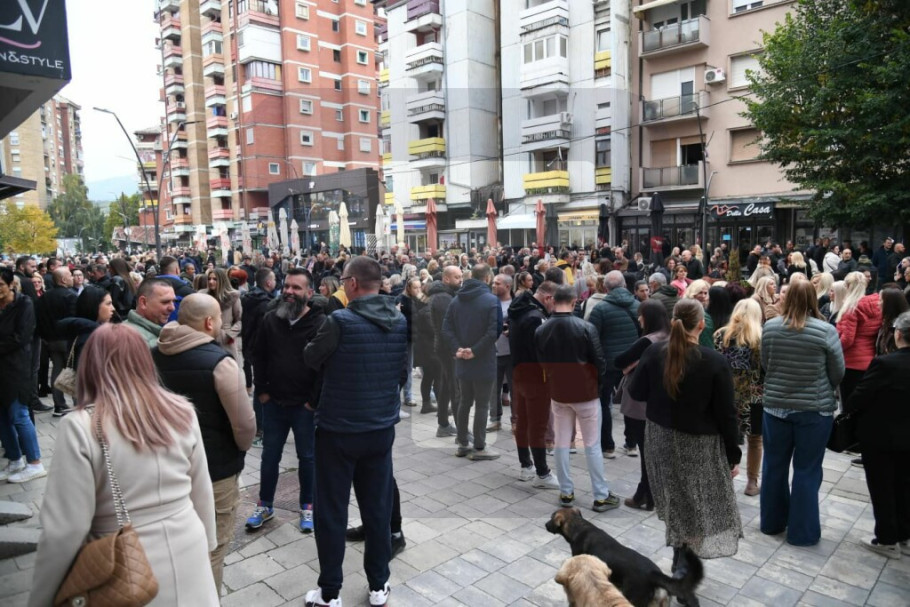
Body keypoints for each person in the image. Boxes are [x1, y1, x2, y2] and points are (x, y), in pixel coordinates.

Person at [29, 324, 219, 607]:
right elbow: (201, 489)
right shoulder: (182, 410)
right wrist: (208, 543)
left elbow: (64, 529)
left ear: (90, 365)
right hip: (188, 543)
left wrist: (41, 597)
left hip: (122, 564)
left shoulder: (80, 426)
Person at [303, 256, 408, 607]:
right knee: (377, 509)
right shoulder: (399, 320)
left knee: (331, 511)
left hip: (339, 429)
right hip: (380, 428)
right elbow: (401, 374)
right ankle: (379, 585)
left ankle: (330, 592)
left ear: (351, 283)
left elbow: (311, 357)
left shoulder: (340, 321)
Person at [629, 298, 742, 569]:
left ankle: (681, 555)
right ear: (702, 325)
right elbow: (727, 414)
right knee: (695, 499)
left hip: (660, 437)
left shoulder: (655, 352)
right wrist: (733, 454)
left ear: (672, 322)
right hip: (698, 443)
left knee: (676, 497)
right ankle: (683, 559)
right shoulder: (713, 361)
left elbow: (636, 392)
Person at [153, 294, 255, 593]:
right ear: (210, 322)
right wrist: (240, 449)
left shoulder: (151, 355)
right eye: (220, 319)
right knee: (213, 547)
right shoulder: (220, 363)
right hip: (215, 470)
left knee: (172, 546)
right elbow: (244, 424)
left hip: (164, 468)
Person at [760, 280, 844, 546]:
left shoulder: (770, 327)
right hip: (814, 410)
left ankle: (771, 523)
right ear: (813, 299)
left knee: (773, 466)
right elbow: (838, 372)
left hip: (775, 407)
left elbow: (766, 363)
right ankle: (802, 533)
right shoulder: (826, 331)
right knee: (807, 470)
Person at [248, 268, 325, 533]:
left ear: (309, 293)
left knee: (308, 458)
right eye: (287, 286)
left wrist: (313, 402)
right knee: (270, 456)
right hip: (274, 404)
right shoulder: (271, 319)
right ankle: (265, 504)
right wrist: (262, 391)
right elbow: (258, 356)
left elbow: (324, 367)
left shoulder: (320, 323)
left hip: (305, 407)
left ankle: (307, 506)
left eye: (296, 288)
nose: (290, 292)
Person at [535, 284, 615, 510]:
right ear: (574, 302)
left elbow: (542, 362)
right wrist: (598, 385)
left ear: (553, 301)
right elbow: (599, 361)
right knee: (592, 444)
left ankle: (566, 492)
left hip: (559, 393)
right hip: (585, 392)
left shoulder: (542, 329)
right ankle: (600, 495)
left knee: (561, 443)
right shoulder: (585, 327)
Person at [844, 311, 910, 559]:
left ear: (898, 334)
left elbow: (858, 397)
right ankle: (904, 535)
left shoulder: (885, 364)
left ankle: (887, 539)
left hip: (881, 435)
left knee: (882, 487)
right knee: (905, 485)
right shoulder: (886, 363)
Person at [442, 263, 503, 460]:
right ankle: (479, 446)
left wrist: (458, 348)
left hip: (463, 359)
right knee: (482, 404)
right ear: (487, 278)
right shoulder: (491, 300)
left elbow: (446, 329)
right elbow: (494, 331)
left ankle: (462, 443)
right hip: (483, 359)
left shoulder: (456, 300)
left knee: (464, 402)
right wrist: (474, 351)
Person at [613, 299, 670, 511]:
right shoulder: (672, 336)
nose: (638, 319)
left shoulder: (648, 341)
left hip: (642, 402)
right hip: (665, 400)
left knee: (647, 450)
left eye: (641, 315)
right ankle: (653, 493)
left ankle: (645, 493)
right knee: (655, 450)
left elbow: (619, 361)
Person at [714, 299, 765, 496]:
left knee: (724, 437)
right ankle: (752, 482)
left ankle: (724, 477)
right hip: (754, 397)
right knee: (755, 440)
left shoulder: (721, 335)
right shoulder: (760, 338)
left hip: (725, 394)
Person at [508, 281, 558, 485]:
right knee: (537, 425)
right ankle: (542, 473)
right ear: (548, 298)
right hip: (536, 377)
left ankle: (526, 466)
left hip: (519, 372)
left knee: (523, 422)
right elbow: (540, 351)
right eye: (555, 302)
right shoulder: (535, 317)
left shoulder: (519, 309)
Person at [588, 270, 640, 458]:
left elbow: (592, 338)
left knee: (604, 404)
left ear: (605, 288)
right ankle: (632, 444)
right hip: (632, 363)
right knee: (631, 402)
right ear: (625, 285)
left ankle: (607, 446)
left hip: (608, 364)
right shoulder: (638, 306)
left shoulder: (600, 309)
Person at [0, 267, 45, 483]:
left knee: (19, 415)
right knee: (2, 418)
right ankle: (15, 459)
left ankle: (35, 463)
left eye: (0, 285)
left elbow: (21, 337)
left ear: (11, 285)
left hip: (17, 368)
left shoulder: (24, 304)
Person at [835, 271, 882, 404]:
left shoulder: (851, 308)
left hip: (851, 362)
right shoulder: (877, 305)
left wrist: (834, 349)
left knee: (849, 403)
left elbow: (847, 339)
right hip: (870, 359)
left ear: (848, 286)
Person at [36, 267, 77, 417]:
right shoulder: (70, 296)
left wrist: (45, 337)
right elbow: (74, 319)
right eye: (70, 275)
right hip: (67, 339)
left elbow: (39, 319)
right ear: (63, 280)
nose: (72, 277)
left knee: (57, 370)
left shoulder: (44, 297)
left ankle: (59, 405)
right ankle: (78, 404)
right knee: (73, 370)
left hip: (51, 340)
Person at [427, 266, 462, 436]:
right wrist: (455, 350)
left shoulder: (445, 295)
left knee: (447, 387)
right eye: (457, 277)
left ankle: (443, 425)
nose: (460, 280)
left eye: (461, 276)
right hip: (447, 349)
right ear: (446, 279)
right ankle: (462, 433)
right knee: (455, 390)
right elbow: (445, 329)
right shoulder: (442, 298)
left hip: (444, 348)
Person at [487, 273, 513, 431]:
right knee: (493, 388)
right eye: (493, 283)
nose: (493, 285)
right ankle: (495, 419)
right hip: (493, 352)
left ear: (507, 286)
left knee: (515, 389)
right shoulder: (489, 302)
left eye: (497, 283)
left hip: (511, 352)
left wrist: (512, 330)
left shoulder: (515, 304)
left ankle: (516, 420)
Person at [201, 268, 242, 360]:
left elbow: (239, 320)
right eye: (209, 279)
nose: (211, 281)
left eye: (215, 279)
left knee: (227, 366)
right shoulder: (203, 296)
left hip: (225, 339)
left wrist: (229, 335)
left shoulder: (233, 297)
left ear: (222, 280)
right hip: (207, 339)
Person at [123, 278, 177, 348]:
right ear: (143, 302)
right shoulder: (138, 341)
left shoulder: (125, 329)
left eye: (173, 301)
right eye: (165, 302)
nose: (172, 308)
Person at [876, 288, 910, 355]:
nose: (878, 303)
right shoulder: (886, 323)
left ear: (889, 304)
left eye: (880, 300)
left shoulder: (900, 328)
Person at [108, 257, 137, 322]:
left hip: (119, 313)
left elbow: (113, 299)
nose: (109, 270)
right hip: (128, 313)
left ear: (115, 268)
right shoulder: (128, 279)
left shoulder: (117, 279)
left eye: (110, 268)